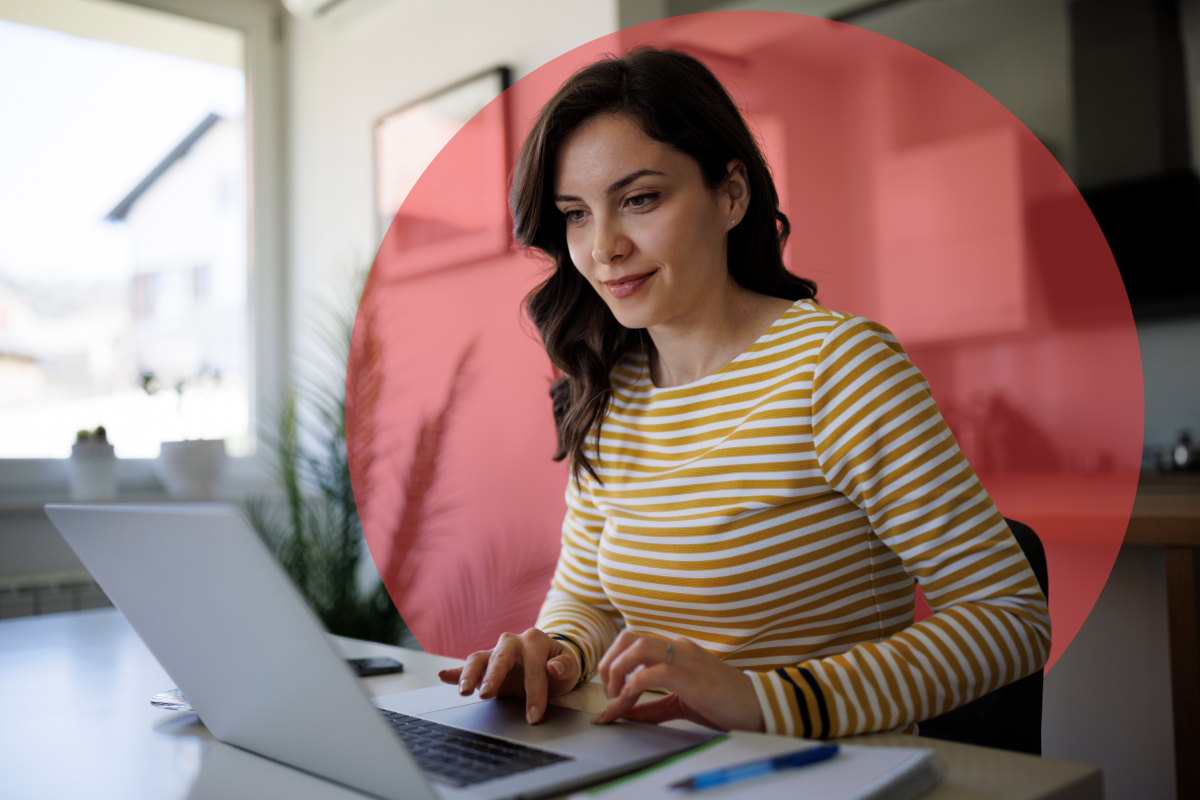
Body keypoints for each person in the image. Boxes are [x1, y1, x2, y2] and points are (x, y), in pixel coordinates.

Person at [438, 47, 1050, 739]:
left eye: (639, 199)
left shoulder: (838, 369)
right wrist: (554, 653)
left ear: (731, 195)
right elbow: (588, 599)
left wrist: (765, 699)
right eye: (576, 214)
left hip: (823, 775)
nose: (603, 246)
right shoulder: (611, 389)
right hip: (663, 768)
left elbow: (1010, 619)